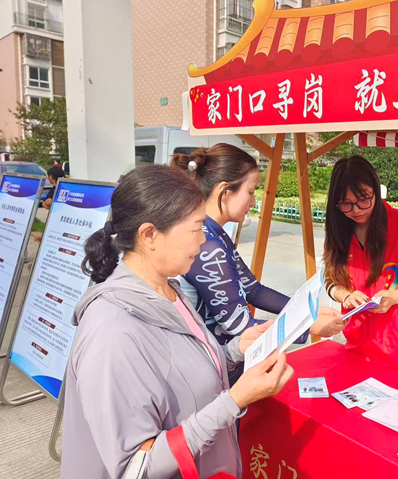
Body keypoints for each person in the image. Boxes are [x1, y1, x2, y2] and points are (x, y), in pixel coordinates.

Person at [61, 165, 293, 479]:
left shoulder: (169, 290)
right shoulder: (112, 333)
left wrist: (235, 350)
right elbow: (137, 468)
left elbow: (184, 375)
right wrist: (235, 400)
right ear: (149, 235)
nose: (202, 240)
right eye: (196, 228)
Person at [171, 145, 345, 385]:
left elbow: (255, 291)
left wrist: (307, 313)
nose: (254, 201)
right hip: (213, 373)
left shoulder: (216, 234)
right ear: (225, 191)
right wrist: (309, 326)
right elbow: (241, 326)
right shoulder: (208, 245)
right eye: (251, 191)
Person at [322, 155, 398, 372]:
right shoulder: (338, 231)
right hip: (358, 344)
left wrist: (394, 297)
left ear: (375, 190)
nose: (356, 210)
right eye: (346, 204)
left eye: (363, 199)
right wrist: (344, 296)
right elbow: (329, 278)